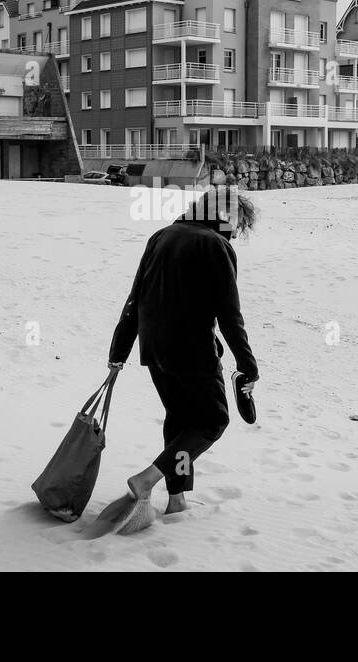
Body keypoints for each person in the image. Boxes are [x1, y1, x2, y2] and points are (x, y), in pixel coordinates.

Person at [104, 185, 259, 535]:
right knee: (211, 422)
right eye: (236, 223)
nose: (236, 231)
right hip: (192, 350)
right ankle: (146, 480)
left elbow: (134, 297)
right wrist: (248, 365)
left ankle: (177, 501)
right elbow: (229, 315)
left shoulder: (161, 236)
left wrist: (118, 351)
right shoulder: (216, 245)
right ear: (225, 215)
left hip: (153, 346)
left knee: (181, 421)